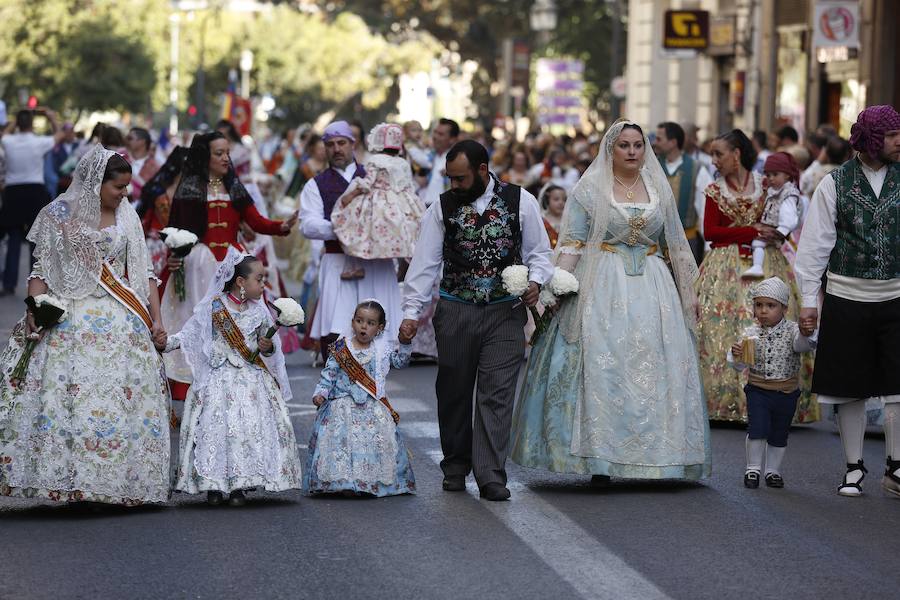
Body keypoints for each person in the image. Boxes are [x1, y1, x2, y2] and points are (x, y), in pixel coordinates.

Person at [510, 120, 711, 484]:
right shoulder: (590, 189)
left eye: (638, 145)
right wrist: (555, 289)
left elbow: (676, 246)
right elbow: (571, 241)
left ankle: (658, 456)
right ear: (610, 150)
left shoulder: (657, 187)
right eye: (625, 145)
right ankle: (599, 459)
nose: (633, 151)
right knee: (605, 367)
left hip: (653, 284)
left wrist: (689, 292)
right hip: (602, 281)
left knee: (653, 364)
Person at [0, 145, 170, 506]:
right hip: (70, 316)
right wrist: (34, 308)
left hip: (122, 320)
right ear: (96, 183)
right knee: (69, 400)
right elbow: (41, 269)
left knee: (120, 402)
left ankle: (116, 483)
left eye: (126, 188)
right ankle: (72, 481)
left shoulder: (128, 217)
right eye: (118, 187)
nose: (125, 194)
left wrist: (156, 320)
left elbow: (144, 275)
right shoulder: (59, 213)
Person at [401, 139, 554, 501]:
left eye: (460, 178)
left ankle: (490, 474)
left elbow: (540, 253)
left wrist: (535, 282)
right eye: (450, 179)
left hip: (505, 312)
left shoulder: (521, 201)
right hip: (456, 309)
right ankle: (455, 464)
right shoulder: (440, 208)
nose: (454, 186)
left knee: (498, 392)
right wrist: (411, 313)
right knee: (454, 390)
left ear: (483, 170)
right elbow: (424, 265)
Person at [794, 105, 900, 498]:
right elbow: (815, 244)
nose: (899, 141)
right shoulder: (835, 183)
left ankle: (896, 465)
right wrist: (808, 299)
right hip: (846, 295)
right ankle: (854, 467)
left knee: (897, 386)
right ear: (873, 139)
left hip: (896, 295)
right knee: (850, 387)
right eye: (892, 135)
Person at [162, 132, 296, 408]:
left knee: (238, 322)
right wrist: (174, 258)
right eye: (219, 153)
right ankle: (194, 387)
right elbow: (176, 230)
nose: (226, 158)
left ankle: (234, 380)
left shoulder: (234, 186)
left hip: (232, 266)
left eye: (227, 153)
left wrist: (280, 226)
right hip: (199, 264)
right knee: (197, 322)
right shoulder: (189, 188)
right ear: (205, 157)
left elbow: (255, 220)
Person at [160, 249, 301, 506]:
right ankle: (212, 485)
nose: (263, 284)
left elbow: (270, 349)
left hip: (249, 378)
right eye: (259, 279)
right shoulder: (213, 307)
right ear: (240, 282)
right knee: (214, 430)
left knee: (245, 431)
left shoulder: (259, 312)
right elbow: (188, 335)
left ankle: (239, 485)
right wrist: (165, 344)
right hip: (216, 378)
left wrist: (267, 346)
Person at [696, 129, 816, 424]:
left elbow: (789, 210)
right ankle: (723, 402)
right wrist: (752, 231)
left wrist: (777, 230)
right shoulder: (714, 189)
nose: (714, 160)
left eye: (719, 154)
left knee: (771, 325)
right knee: (721, 327)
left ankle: (775, 398)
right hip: (724, 266)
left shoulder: (767, 184)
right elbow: (711, 232)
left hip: (766, 262)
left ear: (736, 154)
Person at [299, 120, 402, 360]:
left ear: (353, 144)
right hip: (337, 262)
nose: (337, 149)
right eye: (331, 144)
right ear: (324, 148)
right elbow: (308, 224)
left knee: (380, 333)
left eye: (342, 143)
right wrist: (347, 230)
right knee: (337, 332)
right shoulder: (316, 184)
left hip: (376, 263)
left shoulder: (377, 176)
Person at [304, 299, 416, 497]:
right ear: (352, 322)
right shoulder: (340, 348)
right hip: (342, 405)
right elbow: (328, 375)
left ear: (379, 329)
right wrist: (320, 393)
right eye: (359, 320)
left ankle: (369, 482)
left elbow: (400, 362)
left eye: (370, 323)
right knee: (342, 445)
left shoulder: (382, 350)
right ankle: (343, 482)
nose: (363, 326)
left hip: (372, 407)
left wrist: (405, 343)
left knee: (375, 444)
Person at [727, 277, 817, 489]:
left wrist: (806, 332)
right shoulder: (750, 333)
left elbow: (803, 345)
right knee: (757, 428)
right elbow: (740, 366)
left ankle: (773, 471)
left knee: (779, 432)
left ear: (784, 308)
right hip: (758, 390)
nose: (764, 311)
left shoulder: (793, 331)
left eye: (770, 305)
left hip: (786, 392)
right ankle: (753, 469)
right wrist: (737, 355)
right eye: (759, 305)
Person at [332, 123, 423, 281]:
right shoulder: (403, 162)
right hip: (402, 203)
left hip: (379, 203)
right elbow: (408, 184)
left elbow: (368, 183)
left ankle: (359, 266)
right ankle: (400, 267)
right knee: (402, 233)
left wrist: (351, 195)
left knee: (361, 228)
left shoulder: (375, 160)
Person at [0, 109, 66, 296]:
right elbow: (60, 134)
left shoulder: (8, 141)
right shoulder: (39, 142)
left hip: (12, 192)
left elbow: (4, 133)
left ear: (17, 124)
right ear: (32, 124)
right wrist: (51, 116)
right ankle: (35, 281)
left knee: (13, 238)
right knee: (36, 240)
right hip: (35, 192)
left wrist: (16, 118)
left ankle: (9, 283)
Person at [655, 121, 714, 264]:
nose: (655, 143)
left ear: (673, 142)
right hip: (655, 246)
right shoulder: (651, 167)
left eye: (659, 139)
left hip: (687, 243)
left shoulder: (696, 168)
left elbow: (705, 209)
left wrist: (708, 246)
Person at [743, 152, 802, 278]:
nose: (771, 178)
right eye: (768, 175)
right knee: (756, 244)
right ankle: (757, 266)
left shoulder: (788, 193)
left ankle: (758, 267)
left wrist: (780, 231)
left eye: (775, 174)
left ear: (787, 175)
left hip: (777, 231)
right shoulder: (773, 191)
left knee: (758, 244)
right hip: (769, 228)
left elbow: (789, 218)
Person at [139, 146, 189, 280]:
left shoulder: (194, 194)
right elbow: (144, 219)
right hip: (157, 247)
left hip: (184, 248)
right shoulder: (157, 191)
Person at [419, 118, 459, 207]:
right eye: (435, 132)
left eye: (440, 134)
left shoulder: (458, 160)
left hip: (445, 210)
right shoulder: (426, 156)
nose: (435, 136)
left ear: (452, 139)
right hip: (423, 207)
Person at [125, 127, 159, 206]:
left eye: (130, 138)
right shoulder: (120, 159)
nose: (126, 141)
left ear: (142, 142)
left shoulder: (155, 168)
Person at [538, 183, 566, 249]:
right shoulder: (542, 220)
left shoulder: (568, 220)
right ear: (547, 200)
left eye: (564, 199)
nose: (561, 202)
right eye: (556, 199)